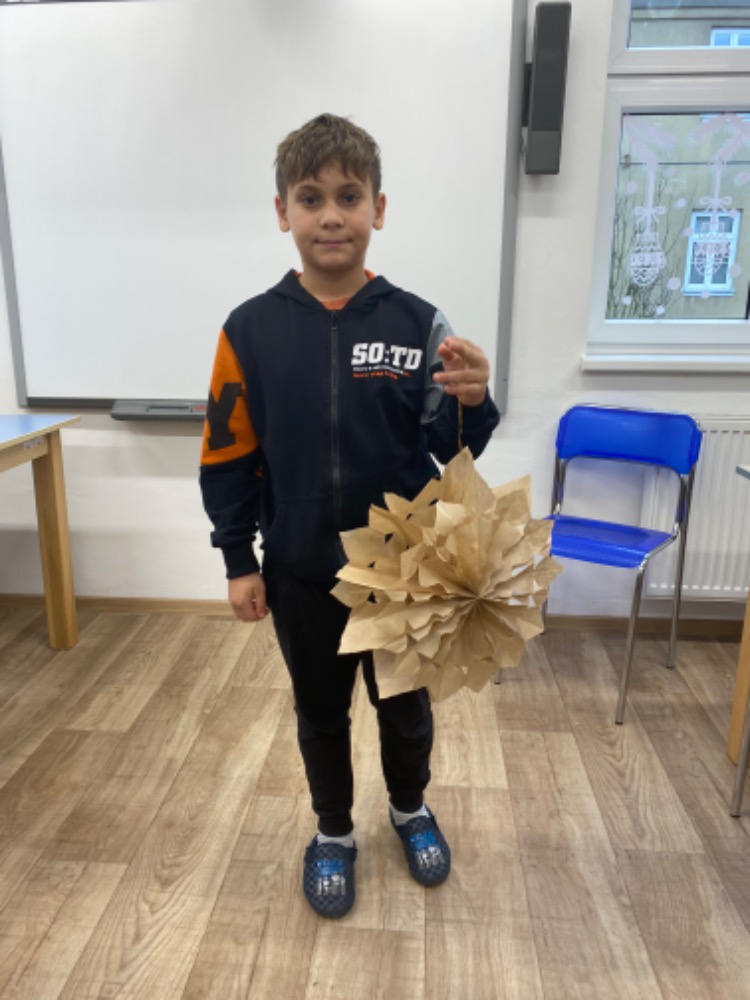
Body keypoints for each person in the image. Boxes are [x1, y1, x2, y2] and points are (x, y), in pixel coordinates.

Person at [199, 113, 500, 919]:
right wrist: (238, 559)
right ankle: (333, 831)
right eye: (311, 198)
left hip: (401, 572)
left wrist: (474, 401)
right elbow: (227, 455)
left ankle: (409, 810)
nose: (331, 215)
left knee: (406, 710)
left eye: (349, 196)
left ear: (378, 208)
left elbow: (452, 447)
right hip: (300, 570)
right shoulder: (248, 330)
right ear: (283, 213)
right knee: (320, 713)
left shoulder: (417, 323)